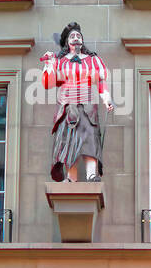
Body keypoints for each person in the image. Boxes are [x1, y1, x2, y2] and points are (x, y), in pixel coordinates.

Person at [40, 22, 113, 182]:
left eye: (78, 36)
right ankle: (71, 177)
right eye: (72, 36)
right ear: (67, 42)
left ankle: (91, 174)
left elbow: (101, 82)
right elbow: (48, 83)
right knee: (69, 141)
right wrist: (48, 64)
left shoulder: (93, 60)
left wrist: (106, 99)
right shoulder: (59, 61)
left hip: (87, 105)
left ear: (82, 40)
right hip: (67, 105)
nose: (75, 38)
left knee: (89, 139)